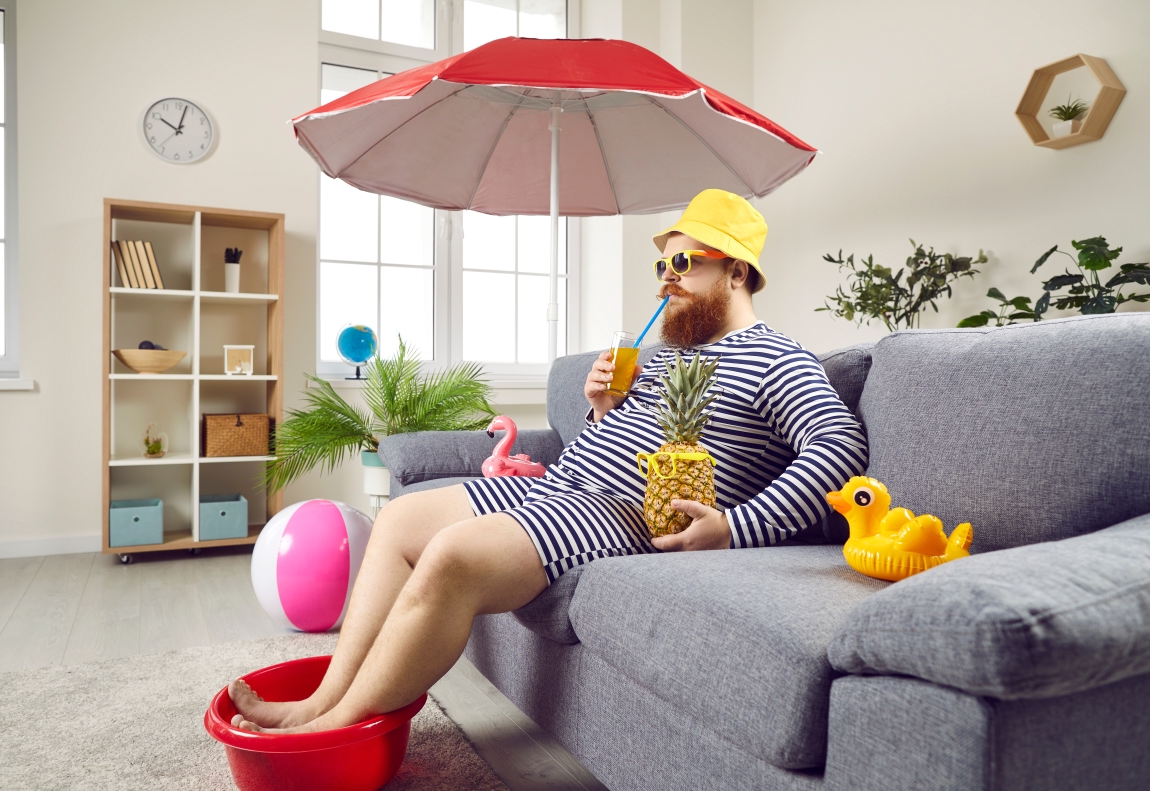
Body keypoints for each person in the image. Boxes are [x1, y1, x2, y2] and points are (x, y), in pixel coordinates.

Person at [229, 189, 868, 734]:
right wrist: (603, 407)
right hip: (562, 484)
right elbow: (626, 436)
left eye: (683, 261)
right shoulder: (669, 353)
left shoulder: (776, 358)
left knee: (452, 556)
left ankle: (334, 727)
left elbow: (840, 451)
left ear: (736, 271)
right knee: (401, 522)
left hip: (621, 514)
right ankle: (322, 696)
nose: (665, 278)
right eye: (660, 264)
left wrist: (733, 527)